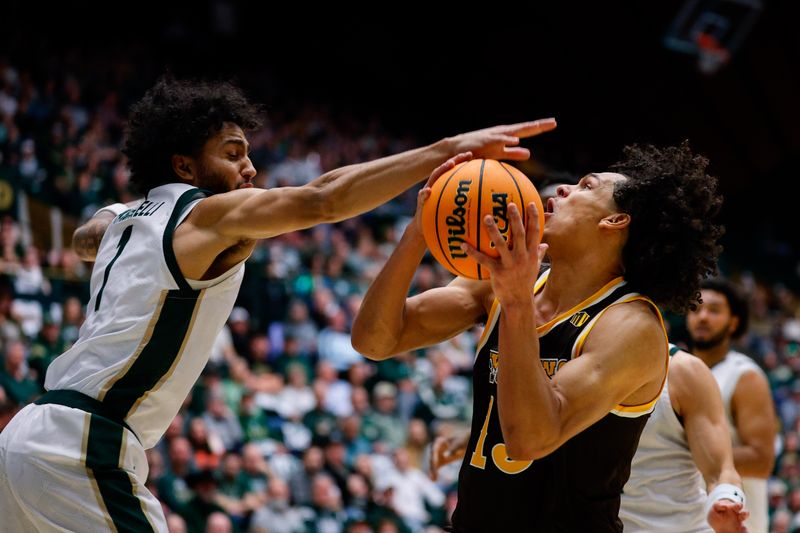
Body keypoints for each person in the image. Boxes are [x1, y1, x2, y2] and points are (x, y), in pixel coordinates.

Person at [0, 75, 556, 532]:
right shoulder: (205, 215)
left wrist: (104, 220)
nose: (250, 170)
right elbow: (323, 199)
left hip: (27, 437)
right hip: (83, 446)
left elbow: (82, 239)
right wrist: (447, 149)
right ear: (186, 168)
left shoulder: (125, 219)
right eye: (233, 153)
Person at [353, 142, 725, 531]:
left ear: (616, 221)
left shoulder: (630, 325)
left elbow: (531, 439)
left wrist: (516, 304)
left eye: (585, 186)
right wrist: (418, 233)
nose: (562, 190)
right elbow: (375, 340)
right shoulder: (503, 284)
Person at [619, 344, 748, 532]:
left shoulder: (686, 371)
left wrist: (726, 498)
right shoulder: (574, 363)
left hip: (681, 526)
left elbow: (721, 470)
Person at [687, 278, 779, 533]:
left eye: (714, 310)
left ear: (733, 322)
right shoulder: (676, 370)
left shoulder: (745, 376)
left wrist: (686, 453)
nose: (702, 316)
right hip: (692, 517)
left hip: (739, 521)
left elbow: (762, 460)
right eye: (695, 308)